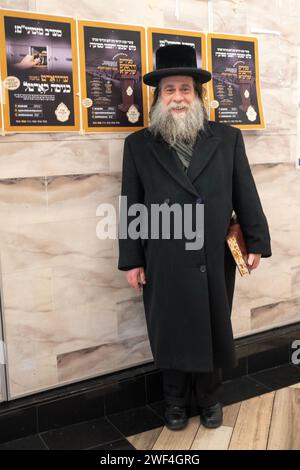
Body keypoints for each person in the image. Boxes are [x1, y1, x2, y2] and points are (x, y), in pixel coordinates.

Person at [118, 44, 272, 431]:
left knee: (213, 323)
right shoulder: (138, 145)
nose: (178, 97)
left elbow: (245, 192)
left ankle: (209, 398)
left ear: (197, 94)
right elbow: (130, 204)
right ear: (159, 97)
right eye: (169, 90)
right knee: (168, 326)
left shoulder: (227, 138)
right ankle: (173, 401)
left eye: (185, 89)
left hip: (212, 255)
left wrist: (256, 240)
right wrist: (132, 259)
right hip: (163, 256)